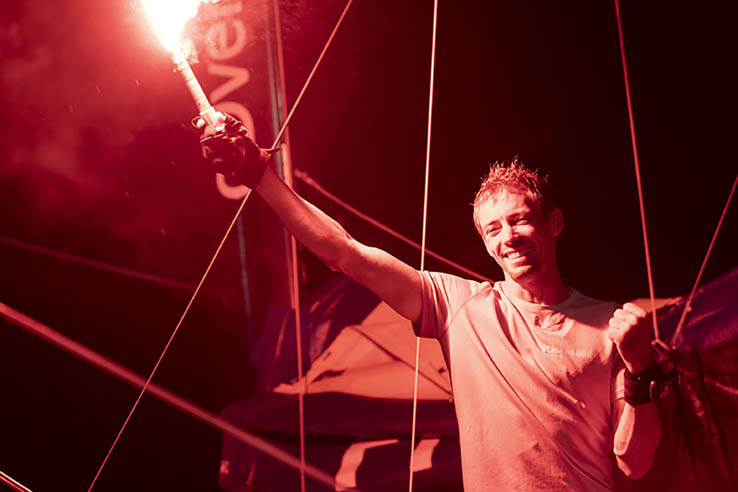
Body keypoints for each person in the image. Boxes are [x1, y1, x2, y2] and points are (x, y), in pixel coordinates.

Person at [199, 115, 664, 491]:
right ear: (485, 243)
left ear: (554, 223)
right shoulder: (459, 306)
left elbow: (635, 463)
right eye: (494, 229)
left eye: (520, 220)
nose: (510, 237)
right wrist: (260, 177)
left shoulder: (611, 325)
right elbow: (344, 253)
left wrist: (641, 371)